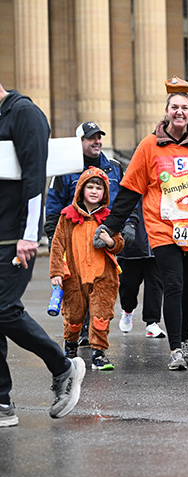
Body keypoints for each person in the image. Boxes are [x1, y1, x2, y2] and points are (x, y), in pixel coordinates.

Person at [96, 76, 188, 370]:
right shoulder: (149, 146)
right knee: (174, 286)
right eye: (174, 107)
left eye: (185, 108)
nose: (179, 112)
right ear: (166, 112)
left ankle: (185, 338)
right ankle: (175, 348)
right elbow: (130, 191)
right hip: (163, 229)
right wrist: (110, 227)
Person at [0, 81, 85, 426]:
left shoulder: (25, 114)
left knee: (4, 309)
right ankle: (2, 402)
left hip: (15, 238)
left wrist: (29, 234)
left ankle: (63, 367)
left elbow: (35, 178)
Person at [45, 121, 126, 347]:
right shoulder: (65, 169)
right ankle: (79, 333)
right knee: (77, 291)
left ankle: (94, 338)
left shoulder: (115, 167)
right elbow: (54, 204)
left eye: (99, 137)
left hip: (104, 241)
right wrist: (54, 237)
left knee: (100, 289)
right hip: (74, 243)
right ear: (79, 142)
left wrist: (124, 230)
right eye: (91, 138)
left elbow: (124, 202)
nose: (97, 142)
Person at [50, 168, 125, 371]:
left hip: (103, 276)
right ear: (81, 190)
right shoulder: (67, 217)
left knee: (101, 315)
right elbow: (58, 245)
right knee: (74, 316)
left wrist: (110, 242)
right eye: (89, 186)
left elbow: (119, 243)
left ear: (105, 193)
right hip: (74, 276)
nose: (94, 191)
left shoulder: (109, 218)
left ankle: (99, 353)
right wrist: (56, 272)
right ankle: (71, 349)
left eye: (98, 188)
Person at [117, 199, 165, 339]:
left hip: (157, 244)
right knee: (128, 286)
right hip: (132, 246)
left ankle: (152, 322)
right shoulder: (130, 182)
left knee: (155, 285)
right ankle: (127, 310)